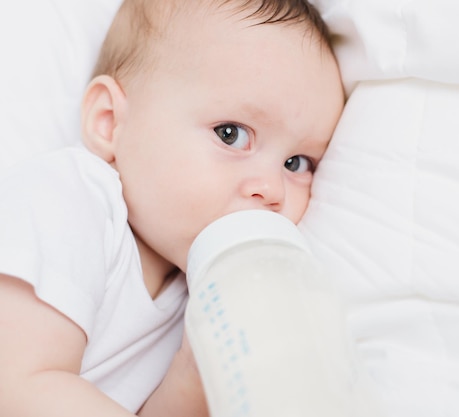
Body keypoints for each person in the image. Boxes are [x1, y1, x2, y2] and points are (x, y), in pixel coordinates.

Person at [0, 0, 344, 415]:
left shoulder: (201, 292)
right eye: (231, 134)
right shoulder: (68, 199)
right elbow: (18, 386)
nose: (271, 189)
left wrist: (190, 377)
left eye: (296, 163)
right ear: (110, 122)